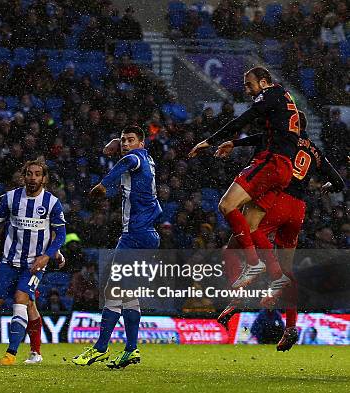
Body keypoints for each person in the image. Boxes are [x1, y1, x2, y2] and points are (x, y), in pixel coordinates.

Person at [214, 112, 345, 351]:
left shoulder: (284, 138)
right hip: (299, 209)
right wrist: (327, 185)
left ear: (292, 125)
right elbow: (339, 183)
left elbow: (258, 138)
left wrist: (234, 142)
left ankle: (238, 297)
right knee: (287, 268)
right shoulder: (315, 150)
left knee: (238, 239)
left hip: (279, 200)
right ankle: (291, 327)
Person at [188, 67, 300, 287]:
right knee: (250, 227)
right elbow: (271, 134)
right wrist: (235, 143)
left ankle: (253, 263)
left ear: (264, 83)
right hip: (284, 170)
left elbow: (244, 119)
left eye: (250, 84)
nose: (247, 89)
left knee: (226, 205)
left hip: (271, 162)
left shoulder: (270, 94)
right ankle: (278, 276)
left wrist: (209, 141)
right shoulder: (282, 99)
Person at [73, 125, 161, 369]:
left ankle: (101, 347)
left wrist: (103, 184)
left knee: (113, 290)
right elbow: (129, 151)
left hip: (134, 234)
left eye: (130, 140)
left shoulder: (133, 157)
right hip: (148, 234)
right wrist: (116, 140)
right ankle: (131, 350)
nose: (125, 143)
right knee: (128, 295)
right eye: (123, 140)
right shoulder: (147, 157)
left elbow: (126, 162)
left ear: (140, 143)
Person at [0, 158, 66, 366]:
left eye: (37, 174)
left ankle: (11, 354)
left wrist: (48, 255)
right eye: (29, 174)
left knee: (22, 301)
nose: (33, 178)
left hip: (34, 265)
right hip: (8, 262)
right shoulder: (10, 198)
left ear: (44, 178)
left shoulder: (52, 203)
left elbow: (61, 234)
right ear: (23, 176)